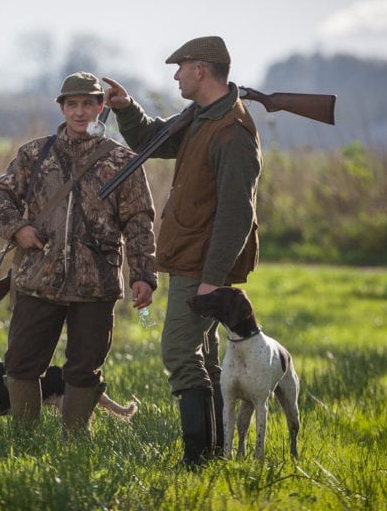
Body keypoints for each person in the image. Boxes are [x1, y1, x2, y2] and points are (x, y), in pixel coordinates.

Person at [103, 36, 262, 466]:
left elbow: (236, 214)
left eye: (181, 67)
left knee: (177, 350)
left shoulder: (232, 132)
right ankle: (211, 453)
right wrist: (125, 107)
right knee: (203, 357)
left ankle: (197, 457)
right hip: (191, 253)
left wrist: (213, 278)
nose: (175, 74)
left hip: (203, 260)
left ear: (201, 71)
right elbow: (155, 139)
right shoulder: (202, 116)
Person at [0, 71, 158, 438]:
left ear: (100, 107)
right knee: (20, 363)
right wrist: (19, 229)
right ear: (62, 108)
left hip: (96, 283)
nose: (80, 112)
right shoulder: (35, 153)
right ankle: (24, 439)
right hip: (37, 278)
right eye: (72, 104)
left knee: (85, 367)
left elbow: (139, 221)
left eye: (88, 104)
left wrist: (144, 275)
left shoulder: (121, 160)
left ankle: (74, 440)